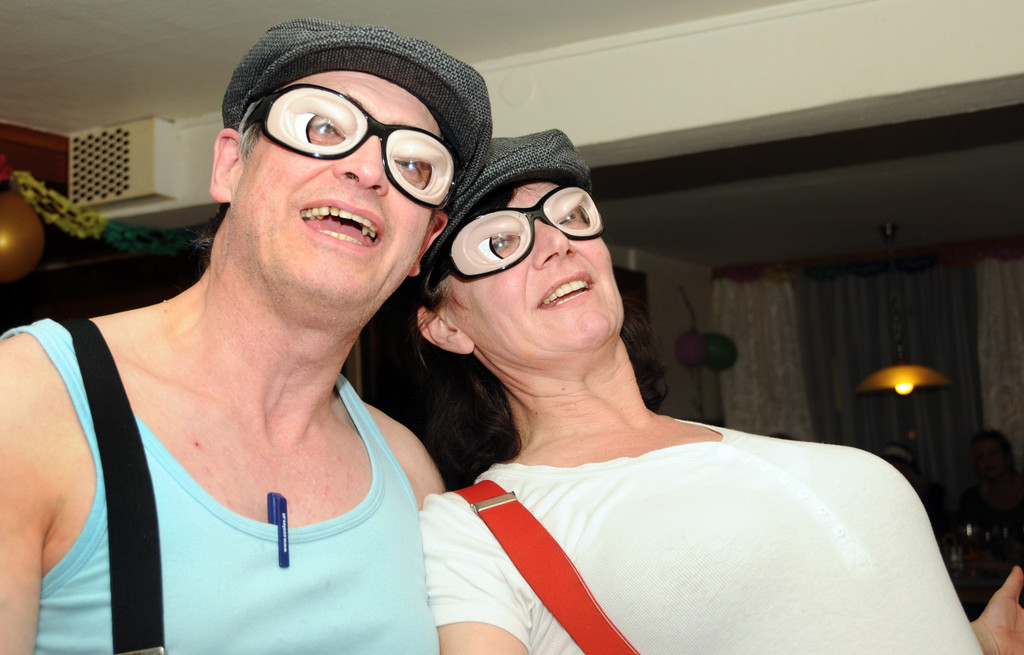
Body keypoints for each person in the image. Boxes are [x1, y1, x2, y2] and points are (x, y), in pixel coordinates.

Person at [410, 129, 1024, 654]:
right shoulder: (471, 531)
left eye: (569, 216)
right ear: (447, 326)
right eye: (498, 243)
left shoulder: (747, 451)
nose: (556, 242)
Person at [0, 18, 491, 654]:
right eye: (323, 129)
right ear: (230, 166)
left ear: (424, 243)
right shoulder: (30, 401)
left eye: (414, 166)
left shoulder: (408, 471)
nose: (369, 172)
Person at [959, 430, 1024, 574]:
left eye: (993, 453)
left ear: (1008, 457)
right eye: (980, 457)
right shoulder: (971, 499)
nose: (987, 461)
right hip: (986, 576)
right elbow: (969, 548)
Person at [880, 441, 950, 539]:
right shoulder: (880, 499)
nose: (891, 474)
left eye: (896, 468)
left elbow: (938, 531)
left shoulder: (930, 498)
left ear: (908, 471)